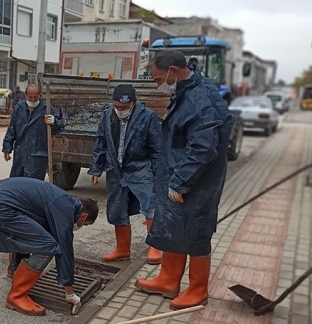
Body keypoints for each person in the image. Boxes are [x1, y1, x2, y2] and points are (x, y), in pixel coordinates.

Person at [135, 50, 232, 310]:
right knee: (172, 225)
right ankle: (168, 279)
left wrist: (180, 181)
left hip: (197, 182)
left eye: (159, 79)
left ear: (173, 71)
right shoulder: (186, 91)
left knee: (196, 231)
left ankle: (198, 290)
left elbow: (203, 148)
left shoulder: (200, 98)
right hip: (178, 175)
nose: (158, 85)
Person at [0, 177, 99, 316]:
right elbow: (65, 250)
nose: (81, 226)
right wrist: (69, 293)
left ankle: (14, 269)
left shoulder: (63, 200)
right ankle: (16, 297)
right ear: (83, 216)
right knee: (48, 246)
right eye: (85, 224)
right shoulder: (65, 211)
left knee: (34, 235)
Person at [87, 84, 162, 265]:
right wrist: (96, 168)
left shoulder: (147, 117)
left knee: (150, 205)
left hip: (140, 167)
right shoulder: (107, 116)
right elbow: (101, 143)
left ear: (133, 103)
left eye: (124, 107)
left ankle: (155, 247)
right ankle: (122, 249)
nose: (120, 110)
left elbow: (157, 149)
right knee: (117, 209)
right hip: (115, 168)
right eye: (117, 107)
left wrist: (160, 174)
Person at [2, 84, 64, 180]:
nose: (33, 100)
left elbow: (60, 127)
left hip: (37, 156)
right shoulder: (19, 108)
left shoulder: (46, 109)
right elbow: (12, 129)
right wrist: (7, 148)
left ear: (39, 95)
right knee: (16, 183)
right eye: (30, 97)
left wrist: (54, 122)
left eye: (35, 97)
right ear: (26, 95)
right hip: (21, 154)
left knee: (33, 185)